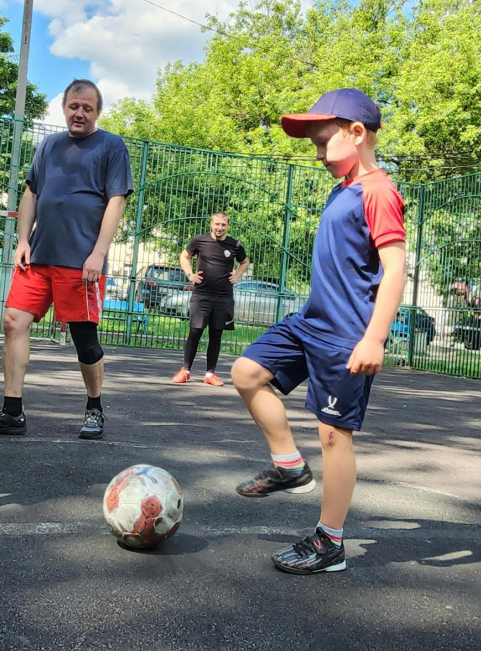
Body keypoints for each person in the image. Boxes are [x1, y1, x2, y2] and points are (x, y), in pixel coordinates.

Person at [230, 89, 406, 574]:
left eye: (323, 141)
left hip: (348, 335)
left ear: (356, 133)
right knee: (246, 372)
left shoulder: (379, 191)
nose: (317, 153)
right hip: (310, 324)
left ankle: (330, 542)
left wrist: (374, 338)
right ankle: (289, 465)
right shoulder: (344, 188)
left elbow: (395, 269)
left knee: (334, 436)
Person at [0, 79, 133, 440]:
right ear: (65, 108)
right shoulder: (49, 146)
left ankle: (94, 408)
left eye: (87, 108)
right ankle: (12, 412)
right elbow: (31, 193)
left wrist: (99, 253)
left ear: (97, 112)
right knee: (12, 321)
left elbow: (116, 200)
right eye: (74, 106)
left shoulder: (111, 146)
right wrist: (23, 240)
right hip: (38, 257)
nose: (80, 113)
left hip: (82, 261)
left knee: (84, 340)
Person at [172, 212, 248, 386]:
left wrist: (237, 276)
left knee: (216, 334)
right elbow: (184, 256)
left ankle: (210, 374)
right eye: (217, 224)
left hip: (223, 297)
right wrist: (190, 275)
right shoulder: (200, 240)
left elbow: (244, 262)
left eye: (223, 225)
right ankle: (185, 370)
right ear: (211, 224)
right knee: (195, 331)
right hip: (201, 295)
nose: (220, 228)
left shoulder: (234, 244)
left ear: (227, 225)